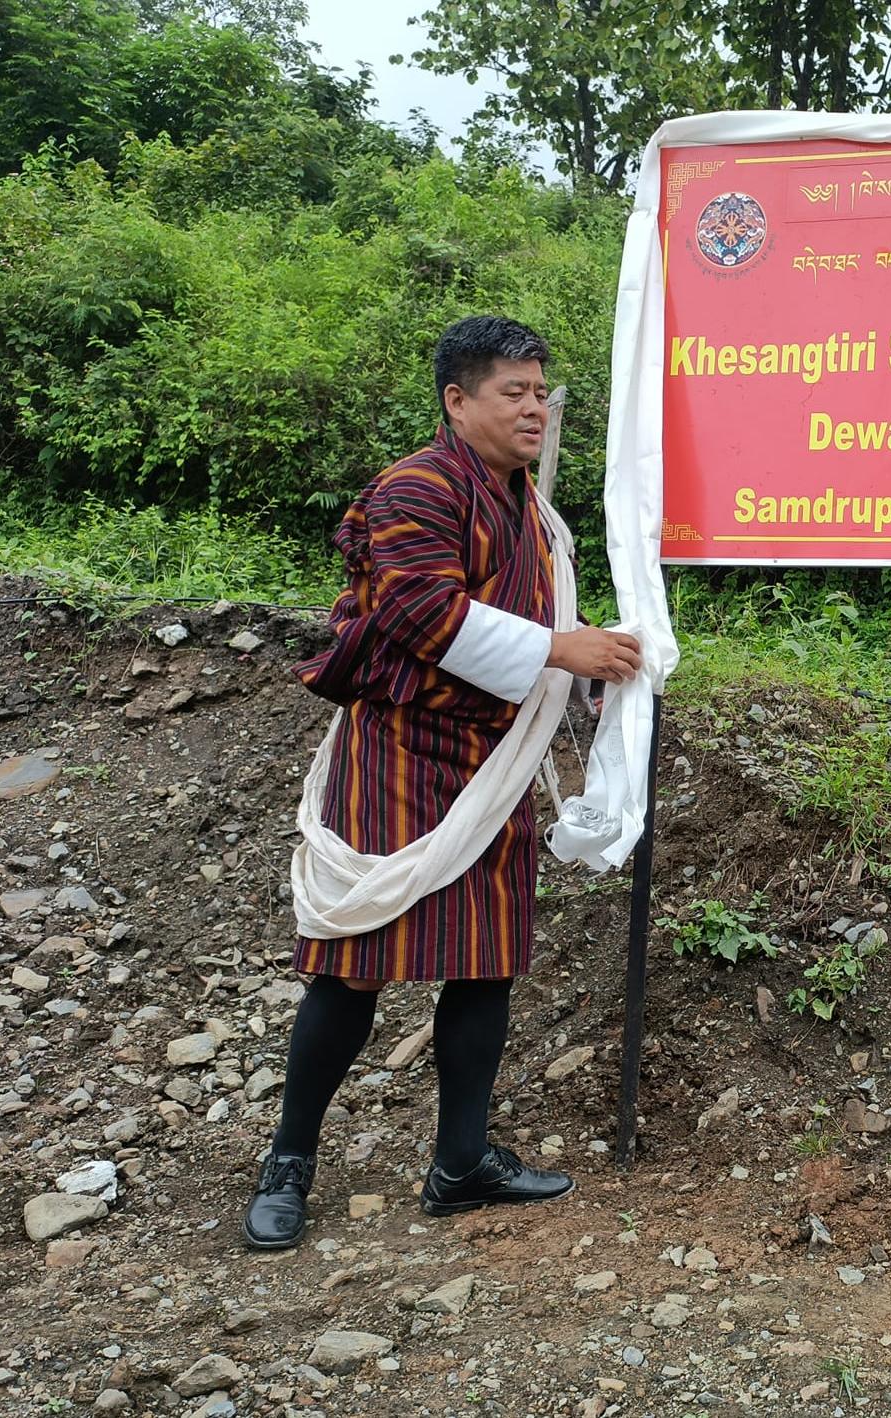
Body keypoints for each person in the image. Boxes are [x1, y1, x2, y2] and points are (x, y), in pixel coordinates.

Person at [242, 316, 643, 1250]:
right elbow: (424, 612)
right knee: (350, 968)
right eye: (516, 392)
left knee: (485, 963)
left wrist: (595, 658)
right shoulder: (416, 488)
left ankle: (460, 1163)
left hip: (492, 760)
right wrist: (557, 647)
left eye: (543, 391)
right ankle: (290, 1160)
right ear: (458, 402)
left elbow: (546, 620)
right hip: (398, 754)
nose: (537, 407)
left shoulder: (529, 509)